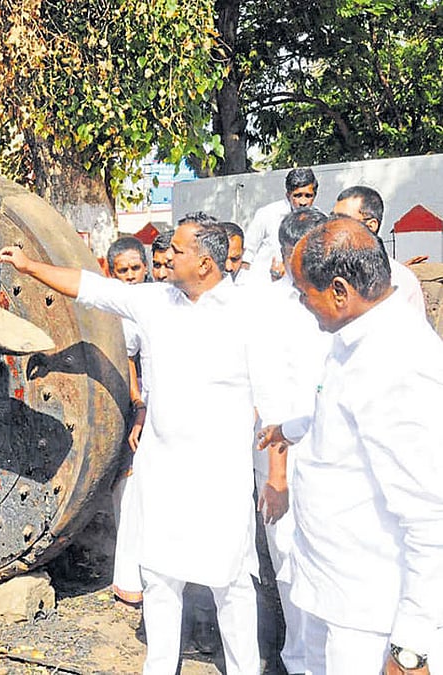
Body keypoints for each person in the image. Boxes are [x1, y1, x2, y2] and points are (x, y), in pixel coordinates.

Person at [0, 214, 282, 675]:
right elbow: (88, 286)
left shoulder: (248, 314)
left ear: (207, 264)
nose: (168, 256)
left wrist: (277, 479)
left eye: (181, 251)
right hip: (162, 471)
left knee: (231, 584)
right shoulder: (158, 301)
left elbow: (274, 410)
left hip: (220, 478)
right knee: (160, 577)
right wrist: (30, 266)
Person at [259, 217, 443, 674]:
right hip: (340, 596)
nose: (302, 303)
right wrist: (294, 428)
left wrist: (412, 645)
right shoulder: (355, 339)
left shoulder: (398, 364)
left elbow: (431, 516)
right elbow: (346, 419)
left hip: (374, 620)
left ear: (340, 291)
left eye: (305, 292)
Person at [251, 207, 331, 675]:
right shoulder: (269, 308)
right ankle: (300, 661)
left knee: (328, 557)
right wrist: (277, 475)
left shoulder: (333, 298)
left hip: (332, 455)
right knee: (289, 561)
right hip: (286, 458)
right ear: (287, 254)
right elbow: (271, 397)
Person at [105, 237, 150, 607]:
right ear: (110, 272)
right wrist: (137, 405)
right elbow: (128, 362)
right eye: (124, 271)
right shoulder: (110, 312)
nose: (132, 276)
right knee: (128, 492)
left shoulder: (156, 301)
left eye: (136, 268)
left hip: (154, 406)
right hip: (129, 408)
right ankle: (128, 578)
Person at [331, 185, 426, 317]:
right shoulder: (327, 274)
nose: (333, 227)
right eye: (332, 219)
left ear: (371, 226)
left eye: (341, 220)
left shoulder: (401, 280)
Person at [243, 168, 318, 283]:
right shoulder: (267, 214)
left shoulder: (319, 221)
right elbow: (247, 254)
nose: (303, 202)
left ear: (315, 195)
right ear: (288, 195)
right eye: (298, 196)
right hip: (264, 285)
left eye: (308, 196)